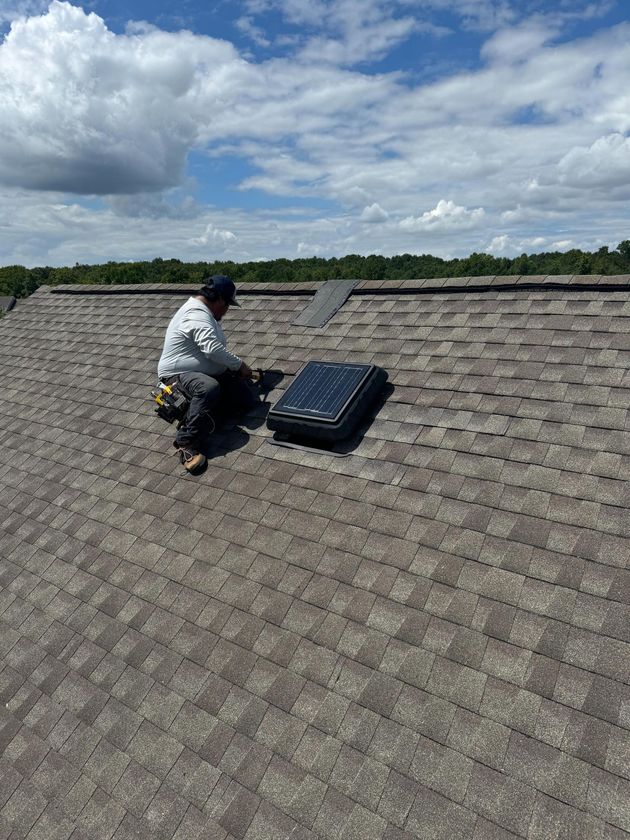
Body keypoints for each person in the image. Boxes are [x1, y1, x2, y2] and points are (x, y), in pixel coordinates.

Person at [157, 275, 253, 472]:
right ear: (219, 300)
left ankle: (201, 415)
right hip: (178, 376)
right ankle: (186, 444)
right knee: (208, 388)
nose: (226, 312)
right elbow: (212, 349)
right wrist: (239, 365)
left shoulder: (205, 313)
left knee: (245, 399)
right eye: (228, 306)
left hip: (199, 372)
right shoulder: (196, 314)